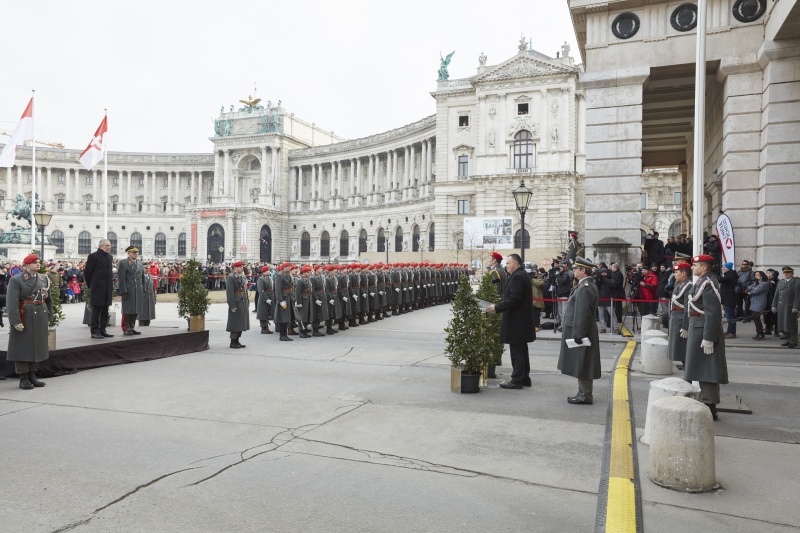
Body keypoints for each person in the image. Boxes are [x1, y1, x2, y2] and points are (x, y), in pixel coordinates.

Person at [683, 254, 728, 420]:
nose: (692, 268)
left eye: (695, 266)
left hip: (704, 330)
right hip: (698, 328)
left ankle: (710, 406)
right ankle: (706, 401)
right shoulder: (702, 282)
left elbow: (713, 312)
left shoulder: (709, 283)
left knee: (709, 369)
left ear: (704, 267)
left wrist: (709, 337)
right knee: (701, 368)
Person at [485, 253, 535, 389]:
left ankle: (517, 380)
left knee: (517, 351)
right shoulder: (522, 274)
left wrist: (497, 308)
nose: (506, 266)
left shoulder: (518, 276)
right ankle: (524, 377)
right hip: (521, 320)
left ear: (516, 264)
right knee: (522, 350)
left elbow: (514, 299)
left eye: (508, 264)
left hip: (517, 320)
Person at [557, 256, 601, 405]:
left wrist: (578, 334)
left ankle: (585, 395)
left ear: (583, 270)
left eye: (576, 268)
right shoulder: (584, 285)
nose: (573, 270)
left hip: (582, 331)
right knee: (582, 363)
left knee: (583, 363)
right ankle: (583, 393)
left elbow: (582, 313)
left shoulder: (585, 287)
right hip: (583, 330)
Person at [7, 254, 53, 390]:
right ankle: (23, 378)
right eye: (34, 262)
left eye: (38, 262)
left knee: (37, 347)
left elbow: (48, 299)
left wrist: (49, 316)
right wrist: (15, 321)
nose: (38, 264)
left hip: (40, 314)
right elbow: (11, 302)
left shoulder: (44, 278)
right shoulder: (16, 280)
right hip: (24, 315)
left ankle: (33, 376)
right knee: (23, 347)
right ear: (27, 265)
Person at [83, 239, 115, 339]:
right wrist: (92, 285)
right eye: (107, 246)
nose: (109, 247)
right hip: (97, 288)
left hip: (107, 288)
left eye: (110, 246)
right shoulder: (93, 256)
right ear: (100, 246)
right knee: (96, 310)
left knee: (105, 310)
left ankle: (103, 329)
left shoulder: (110, 257)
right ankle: (94, 331)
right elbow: (87, 273)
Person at [667, 262, 692, 371]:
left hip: (681, 317)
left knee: (683, 343)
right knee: (677, 343)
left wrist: (685, 325)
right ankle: (684, 361)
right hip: (675, 316)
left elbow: (687, 307)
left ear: (684, 274)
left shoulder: (688, 286)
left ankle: (687, 363)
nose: (674, 275)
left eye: (676, 272)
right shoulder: (679, 284)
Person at [117, 245, 144, 336]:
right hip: (128, 290)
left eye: (137, 252)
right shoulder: (124, 263)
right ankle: (126, 328)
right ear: (128, 253)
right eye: (133, 252)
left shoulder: (140, 263)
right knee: (127, 310)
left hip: (138, 290)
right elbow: (121, 278)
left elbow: (142, 278)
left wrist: (142, 289)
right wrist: (123, 290)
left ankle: (132, 327)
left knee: (136, 310)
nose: (136, 254)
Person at [771, 266, 800, 348]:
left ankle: (793, 341)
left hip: (790, 306)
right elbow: (776, 295)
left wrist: (796, 307)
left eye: (788, 273)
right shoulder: (780, 282)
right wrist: (774, 305)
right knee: (782, 324)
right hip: (781, 306)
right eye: (784, 273)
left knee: (791, 324)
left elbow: (797, 296)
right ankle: (787, 339)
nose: (786, 274)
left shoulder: (797, 282)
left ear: (792, 273)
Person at [226, 261, 250, 348]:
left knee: (241, 322)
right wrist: (232, 305)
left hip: (243, 301)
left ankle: (237, 340)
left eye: (242, 266)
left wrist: (247, 300)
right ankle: (233, 341)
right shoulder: (231, 277)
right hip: (236, 302)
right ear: (235, 268)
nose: (242, 268)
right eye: (240, 267)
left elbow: (245, 290)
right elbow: (229, 293)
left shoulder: (242, 276)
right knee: (235, 322)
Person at [273, 262, 295, 341]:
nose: (290, 268)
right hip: (283, 298)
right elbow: (278, 290)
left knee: (286, 318)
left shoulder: (288, 275)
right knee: (282, 318)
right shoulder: (279, 276)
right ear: (284, 268)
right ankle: (282, 335)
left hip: (288, 298)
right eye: (288, 267)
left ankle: (285, 335)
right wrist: (280, 301)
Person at [746, 271, 769, 340]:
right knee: (755, 318)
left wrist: (751, 291)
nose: (757, 276)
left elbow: (757, 291)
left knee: (756, 317)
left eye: (758, 275)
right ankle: (758, 332)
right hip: (754, 302)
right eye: (756, 275)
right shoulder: (756, 283)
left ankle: (760, 333)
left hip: (760, 302)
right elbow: (748, 288)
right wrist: (754, 286)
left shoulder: (764, 283)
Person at [719, 262, 738, 339]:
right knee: (728, 316)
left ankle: (732, 332)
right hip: (726, 299)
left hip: (730, 299)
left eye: (725, 267)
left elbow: (722, 280)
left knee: (730, 316)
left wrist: (713, 275)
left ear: (729, 268)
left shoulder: (731, 276)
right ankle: (729, 330)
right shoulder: (729, 275)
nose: (723, 268)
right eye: (723, 267)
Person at [256, 265, 273, 334]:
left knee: (268, 312)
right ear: (264, 272)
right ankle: (263, 328)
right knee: (263, 313)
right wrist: (266, 299)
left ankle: (267, 328)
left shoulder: (270, 278)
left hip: (270, 296)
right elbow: (261, 291)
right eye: (268, 270)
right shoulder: (261, 279)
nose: (269, 272)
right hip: (264, 298)